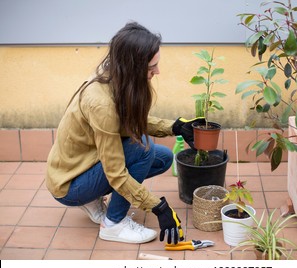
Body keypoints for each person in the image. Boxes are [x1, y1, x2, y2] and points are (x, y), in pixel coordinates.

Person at [46, 22, 203, 244]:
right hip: (69, 183)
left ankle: (92, 199)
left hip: (84, 164)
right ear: (134, 66)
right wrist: (157, 207)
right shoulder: (100, 103)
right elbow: (115, 173)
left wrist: (174, 127)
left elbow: (124, 119)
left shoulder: (114, 74)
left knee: (163, 158)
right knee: (143, 149)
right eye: (151, 67)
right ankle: (113, 225)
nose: (157, 72)